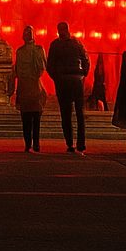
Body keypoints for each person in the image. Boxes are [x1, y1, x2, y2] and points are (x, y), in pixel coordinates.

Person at [46, 21, 90, 154]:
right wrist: (83, 74)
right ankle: (79, 144)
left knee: (67, 114)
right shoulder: (76, 43)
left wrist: (57, 78)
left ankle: (71, 143)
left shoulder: (56, 45)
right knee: (78, 113)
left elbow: (50, 65)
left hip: (65, 81)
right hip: (75, 80)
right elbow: (85, 59)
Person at [10, 25, 47, 152]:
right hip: (27, 87)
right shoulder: (21, 51)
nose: (27, 34)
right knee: (29, 118)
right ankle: (29, 143)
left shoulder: (37, 50)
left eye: (29, 32)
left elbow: (41, 68)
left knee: (33, 118)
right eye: (26, 32)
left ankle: (33, 143)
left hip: (31, 87)